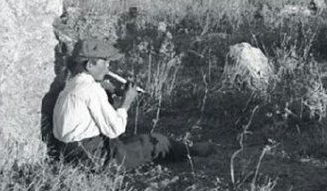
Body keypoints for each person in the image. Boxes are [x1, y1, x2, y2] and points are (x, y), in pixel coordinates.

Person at [52, 38, 211, 170]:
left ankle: (184, 150)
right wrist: (126, 102)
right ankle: (191, 152)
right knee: (154, 142)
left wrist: (110, 94)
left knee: (137, 140)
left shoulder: (73, 84)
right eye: (105, 61)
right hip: (91, 156)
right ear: (90, 65)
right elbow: (115, 129)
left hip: (68, 151)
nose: (108, 66)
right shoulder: (91, 89)